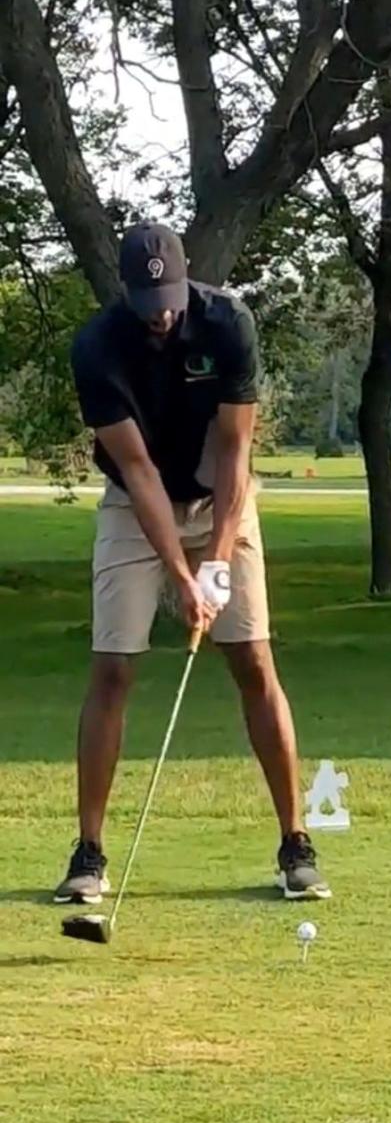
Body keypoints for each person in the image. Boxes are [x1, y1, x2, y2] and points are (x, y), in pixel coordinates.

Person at [53, 221, 330, 905]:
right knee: (113, 666)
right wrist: (180, 577)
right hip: (134, 502)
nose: (164, 314)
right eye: (150, 303)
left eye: (171, 297)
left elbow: (237, 451)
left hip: (222, 499)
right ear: (127, 292)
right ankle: (88, 854)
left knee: (253, 661)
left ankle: (295, 843)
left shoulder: (228, 322)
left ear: (184, 280)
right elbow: (138, 471)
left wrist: (216, 560)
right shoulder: (97, 348)